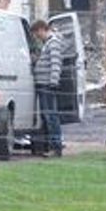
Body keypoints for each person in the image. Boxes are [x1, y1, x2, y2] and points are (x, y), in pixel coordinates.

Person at [31, 20, 64, 156]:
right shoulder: (47, 44)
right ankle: (52, 146)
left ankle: (55, 147)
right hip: (43, 83)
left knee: (51, 116)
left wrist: (53, 81)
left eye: (36, 34)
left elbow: (56, 62)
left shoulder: (53, 43)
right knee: (48, 116)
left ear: (41, 30)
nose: (36, 37)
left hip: (47, 85)